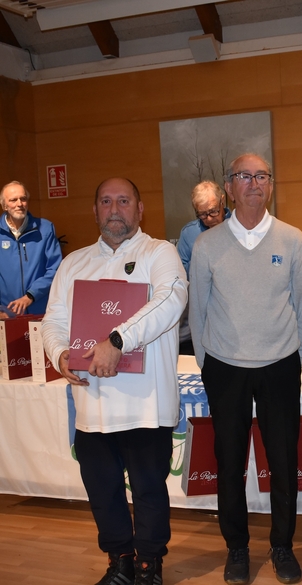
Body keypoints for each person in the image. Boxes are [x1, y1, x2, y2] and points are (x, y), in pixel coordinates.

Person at [41, 177, 188, 585]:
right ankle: (121, 562)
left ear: (140, 209)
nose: (114, 209)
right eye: (106, 201)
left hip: (146, 403)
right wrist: (60, 354)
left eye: (124, 201)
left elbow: (171, 299)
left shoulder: (159, 252)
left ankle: (149, 566)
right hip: (92, 404)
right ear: (95, 211)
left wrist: (118, 341)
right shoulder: (74, 263)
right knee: (102, 491)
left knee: (149, 491)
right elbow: (53, 321)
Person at [189, 153, 302, 585]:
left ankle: (282, 546)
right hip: (225, 368)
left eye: (262, 176)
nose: (254, 183)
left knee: (283, 462)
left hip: (280, 366)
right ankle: (237, 548)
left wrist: (295, 356)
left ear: (271, 185)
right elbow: (198, 311)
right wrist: (207, 363)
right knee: (229, 464)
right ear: (229, 187)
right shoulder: (207, 245)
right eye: (245, 176)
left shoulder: (292, 239)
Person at [176, 181, 231, 355]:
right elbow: (180, 275)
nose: (209, 219)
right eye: (202, 214)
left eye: (213, 211)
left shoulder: (239, 227)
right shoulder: (189, 234)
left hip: (231, 311)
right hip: (201, 312)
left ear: (223, 201)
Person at [0, 181, 62, 317]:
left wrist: (30, 296)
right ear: (4, 205)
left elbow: (55, 269)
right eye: (13, 200)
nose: (19, 204)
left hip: (40, 310)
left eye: (23, 199)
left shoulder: (45, 229)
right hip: (6, 314)